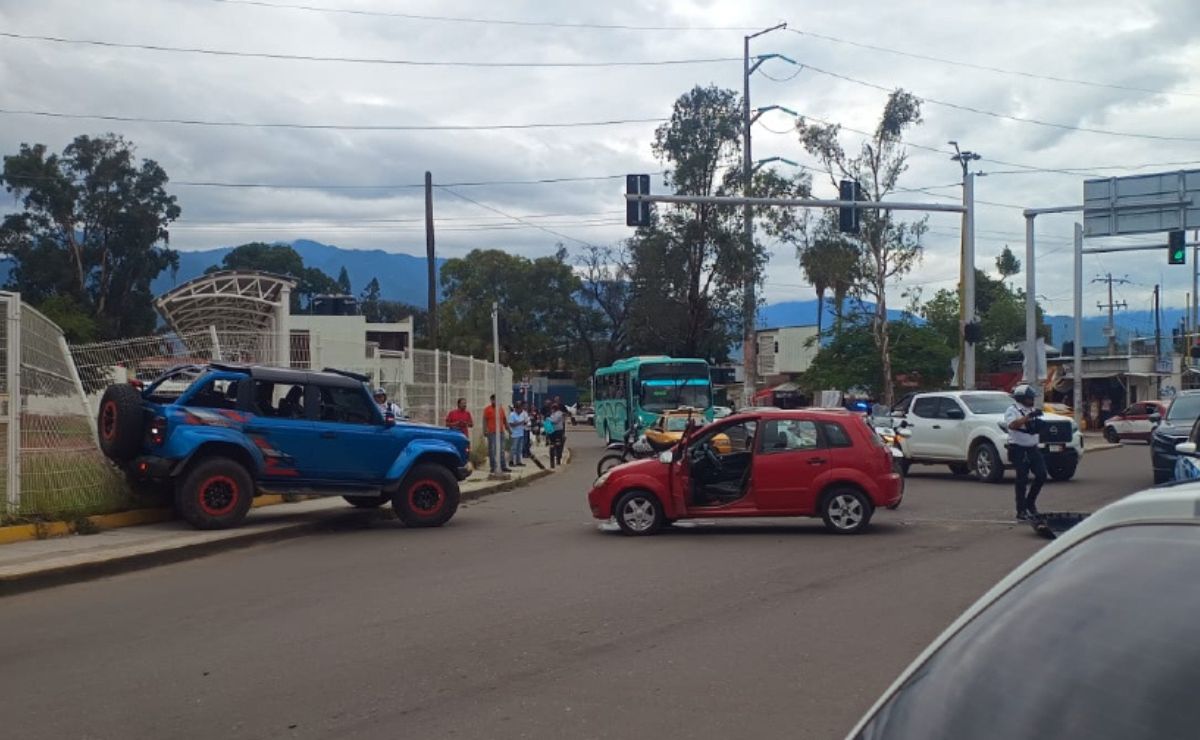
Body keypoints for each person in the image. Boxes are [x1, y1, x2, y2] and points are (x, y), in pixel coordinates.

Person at [1005, 384, 1048, 522]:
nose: (1032, 400)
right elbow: (1012, 425)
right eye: (1030, 398)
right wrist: (1028, 417)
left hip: (1033, 447)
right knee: (1022, 479)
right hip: (1018, 448)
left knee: (1041, 475)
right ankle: (1021, 510)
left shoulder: (1032, 409)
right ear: (1021, 398)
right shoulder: (1013, 410)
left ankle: (1030, 502)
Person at [483, 395, 510, 474]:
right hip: (492, 432)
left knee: (501, 450)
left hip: (500, 432)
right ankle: (493, 467)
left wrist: (508, 429)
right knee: (492, 450)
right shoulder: (487, 409)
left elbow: (504, 420)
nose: (495, 402)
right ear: (491, 400)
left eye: (496, 400)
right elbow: (484, 421)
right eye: (493, 400)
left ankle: (503, 466)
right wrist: (485, 430)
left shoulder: (500, 409)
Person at [508, 400, 529, 467]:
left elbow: (524, 422)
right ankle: (511, 461)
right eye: (520, 408)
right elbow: (511, 424)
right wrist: (520, 423)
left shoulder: (522, 414)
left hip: (521, 433)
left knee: (519, 449)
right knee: (513, 448)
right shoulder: (512, 415)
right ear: (516, 408)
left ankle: (518, 461)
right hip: (515, 434)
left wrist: (525, 423)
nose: (521, 410)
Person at [548, 402, 566, 468]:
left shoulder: (559, 414)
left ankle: (558, 459)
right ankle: (552, 462)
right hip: (552, 431)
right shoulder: (553, 414)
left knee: (558, 446)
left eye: (553, 408)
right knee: (552, 446)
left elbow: (554, 421)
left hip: (558, 432)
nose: (552, 409)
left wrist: (548, 419)